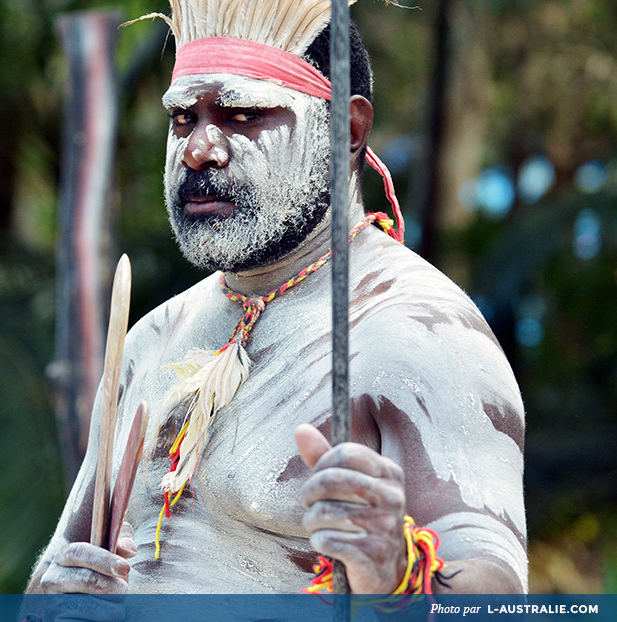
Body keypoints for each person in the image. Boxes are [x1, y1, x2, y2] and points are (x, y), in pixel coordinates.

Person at [26, 0, 526, 597]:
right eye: (183, 118)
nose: (198, 149)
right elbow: (58, 572)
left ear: (347, 131)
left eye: (241, 114)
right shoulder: (150, 340)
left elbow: (495, 593)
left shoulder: (418, 334)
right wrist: (55, 599)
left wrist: (396, 575)